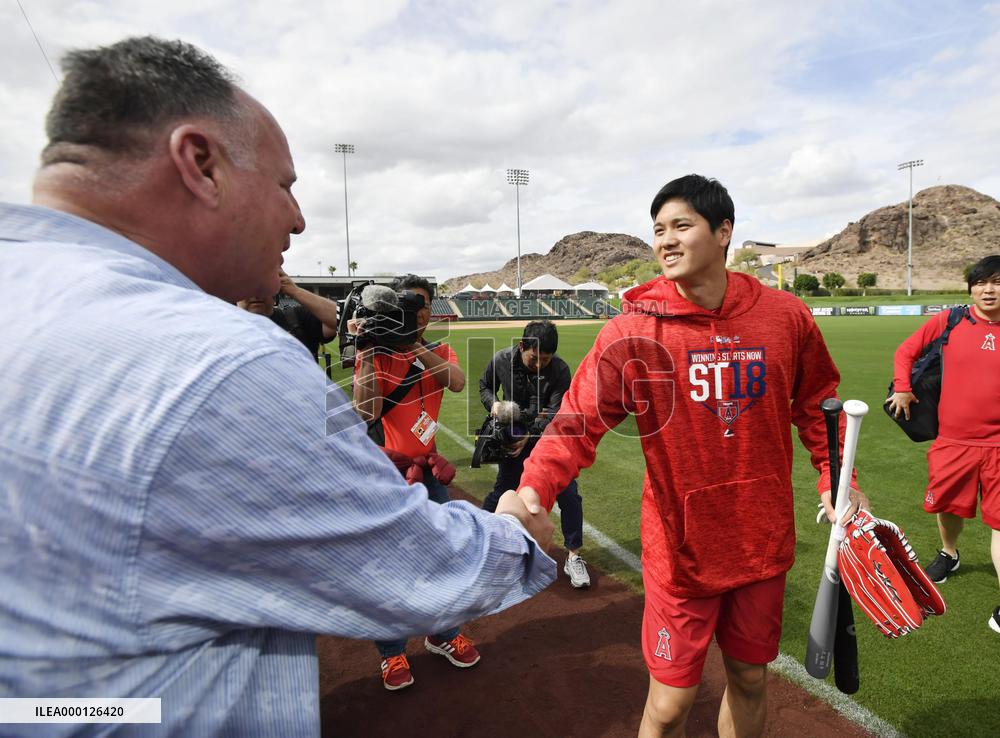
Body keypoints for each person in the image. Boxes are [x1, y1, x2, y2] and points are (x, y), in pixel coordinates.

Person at [0, 36, 555, 737]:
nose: (296, 218)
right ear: (200, 163)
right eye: (285, 185)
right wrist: (513, 534)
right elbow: (399, 565)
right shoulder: (223, 359)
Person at [511, 175, 866, 738]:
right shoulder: (632, 331)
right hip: (681, 552)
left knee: (749, 679)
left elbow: (819, 404)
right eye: (658, 230)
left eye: (681, 225)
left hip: (761, 541)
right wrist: (533, 489)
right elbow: (576, 421)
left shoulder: (786, 317)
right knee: (671, 704)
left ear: (723, 232)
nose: (666, 240)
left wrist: (836, 476)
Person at [350, 274, 480, 690]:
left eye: (421, 304)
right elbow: (366, 412)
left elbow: (456, 381)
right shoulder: (378, 352)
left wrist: (413, 345)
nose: (416, 312)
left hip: (427, 472)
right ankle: (391, 652)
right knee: (389, 567)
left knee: (442, 558)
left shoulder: (437, 349)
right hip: (386, 474)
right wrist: (367, 351)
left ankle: (442, 634)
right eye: (407, 305)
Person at [886, 254, 1000, 633]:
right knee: (948, 506)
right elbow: (905, 351)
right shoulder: (950, 320)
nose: (989, 290)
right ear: (971, 288)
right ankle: (949, 554)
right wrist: (902, 388)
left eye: (997, 283)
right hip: (954, 441)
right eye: (981, 282)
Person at [480, 320, 591, 588]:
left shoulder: (560, 370)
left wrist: (529, 436)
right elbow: (485, 386)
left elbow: (555, 412)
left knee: (569, 496)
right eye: (534, 358)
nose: (540, 364)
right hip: (513, 438)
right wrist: (494, 404)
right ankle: (479, 542)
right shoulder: (502, 360)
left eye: (546, 359)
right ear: (521, 346)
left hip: (549, 441)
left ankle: (574, 556)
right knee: (503, 491)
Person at [238, 269, 339, 358]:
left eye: (263, 287)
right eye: (248, 287)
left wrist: (294, 291)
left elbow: (340, 319)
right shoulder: (229, 327)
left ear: (275, 292)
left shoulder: (296, 317)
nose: (256, 295)